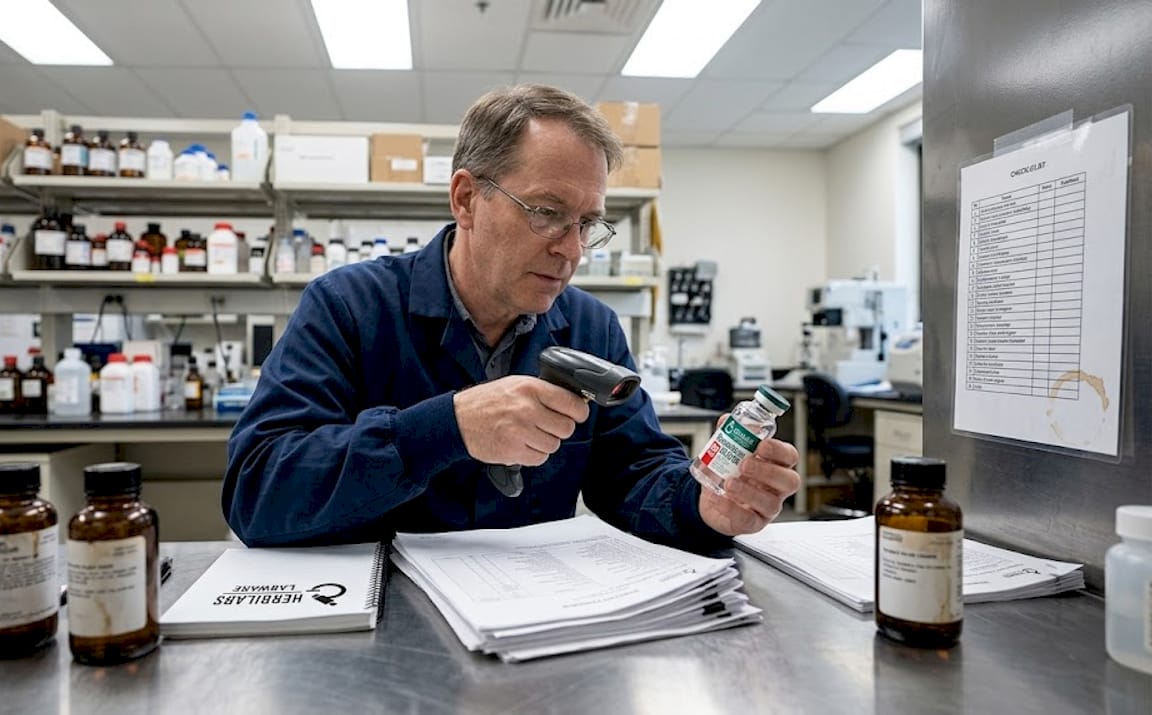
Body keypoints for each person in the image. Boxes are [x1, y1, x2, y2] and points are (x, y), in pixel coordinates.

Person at [223, 84, 801, 551]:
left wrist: (704, 504)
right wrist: (446, 429)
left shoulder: (592, 329)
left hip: (531, 623)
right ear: (466, 199)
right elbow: (258, 491)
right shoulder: (348, 306)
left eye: (587, 224)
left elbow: (635, 473)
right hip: (381, 621)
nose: (572, 250)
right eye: (547, 212)